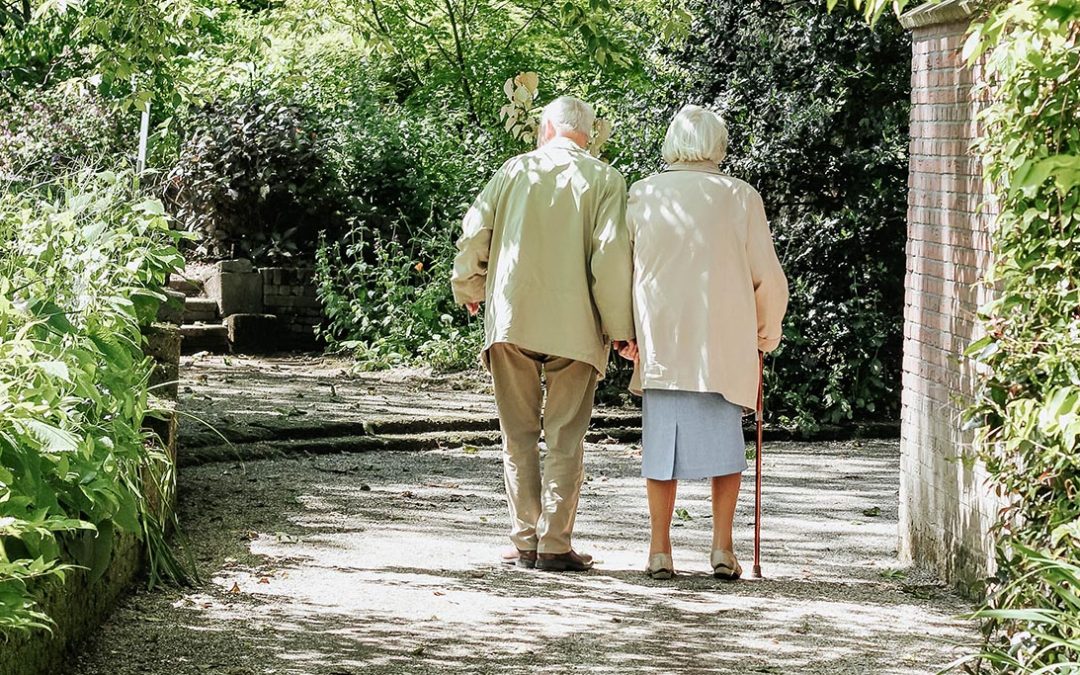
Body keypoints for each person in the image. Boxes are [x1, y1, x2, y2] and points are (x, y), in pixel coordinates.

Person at [451, 96, 635, 572]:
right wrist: (621, 329)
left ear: (547, 128)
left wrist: (469, 285)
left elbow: (476, 233)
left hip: (513, 319)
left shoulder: (513, 171)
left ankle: (525, 539)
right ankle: (555, 544)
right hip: (576, 326)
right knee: (565, 436)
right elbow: (610, 258)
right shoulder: (606, 180)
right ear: (588, 134)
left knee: (517, 434)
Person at [618, 105, 788, 580]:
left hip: (663, 339)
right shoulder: (740, 197)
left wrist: (624, 331)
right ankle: (722, 547)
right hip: (723, 342)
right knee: (725, 449)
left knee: (660, 450)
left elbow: (622, 270)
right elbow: (768, 277)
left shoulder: (643, 193)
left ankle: (659, 549)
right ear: (718, 144)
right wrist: (765, 333)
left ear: (673, 141)